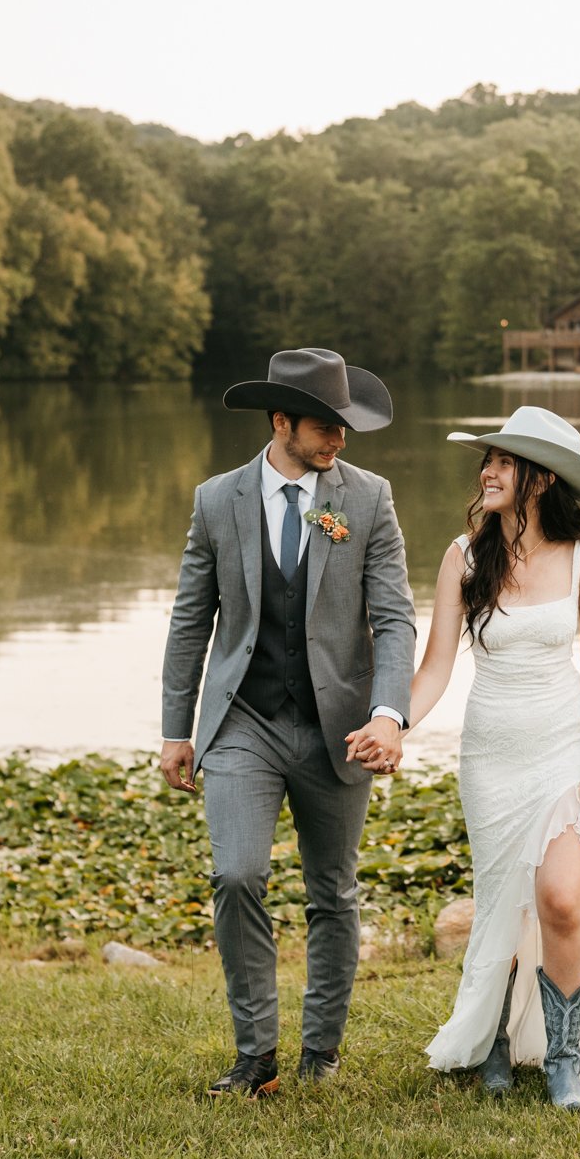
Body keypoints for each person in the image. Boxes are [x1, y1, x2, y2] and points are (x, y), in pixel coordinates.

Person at [159, 347, 417, 1098]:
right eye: (324, 425)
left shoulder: (368, 499)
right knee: (237, 871)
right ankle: (255, 1054)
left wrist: (389, 712)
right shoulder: (216, 500)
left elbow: (395, 617)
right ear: (281, 421)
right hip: (244, 718)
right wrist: (178, 729)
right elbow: (189, 623)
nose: (339, 439)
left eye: (345, 426)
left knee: (333, 890)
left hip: (339, 724)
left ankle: (321, 1048)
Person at [359, 404, 580, 1114]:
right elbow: (437, 666)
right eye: (489, 460)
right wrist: (395, 723)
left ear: (541, 479)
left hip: (563, 748)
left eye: (504, 461)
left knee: (564, 898)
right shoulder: (464, 556)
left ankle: (563, 1057)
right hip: (491, 756)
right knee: (503, 902)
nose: (488, 471)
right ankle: (502, 1043)